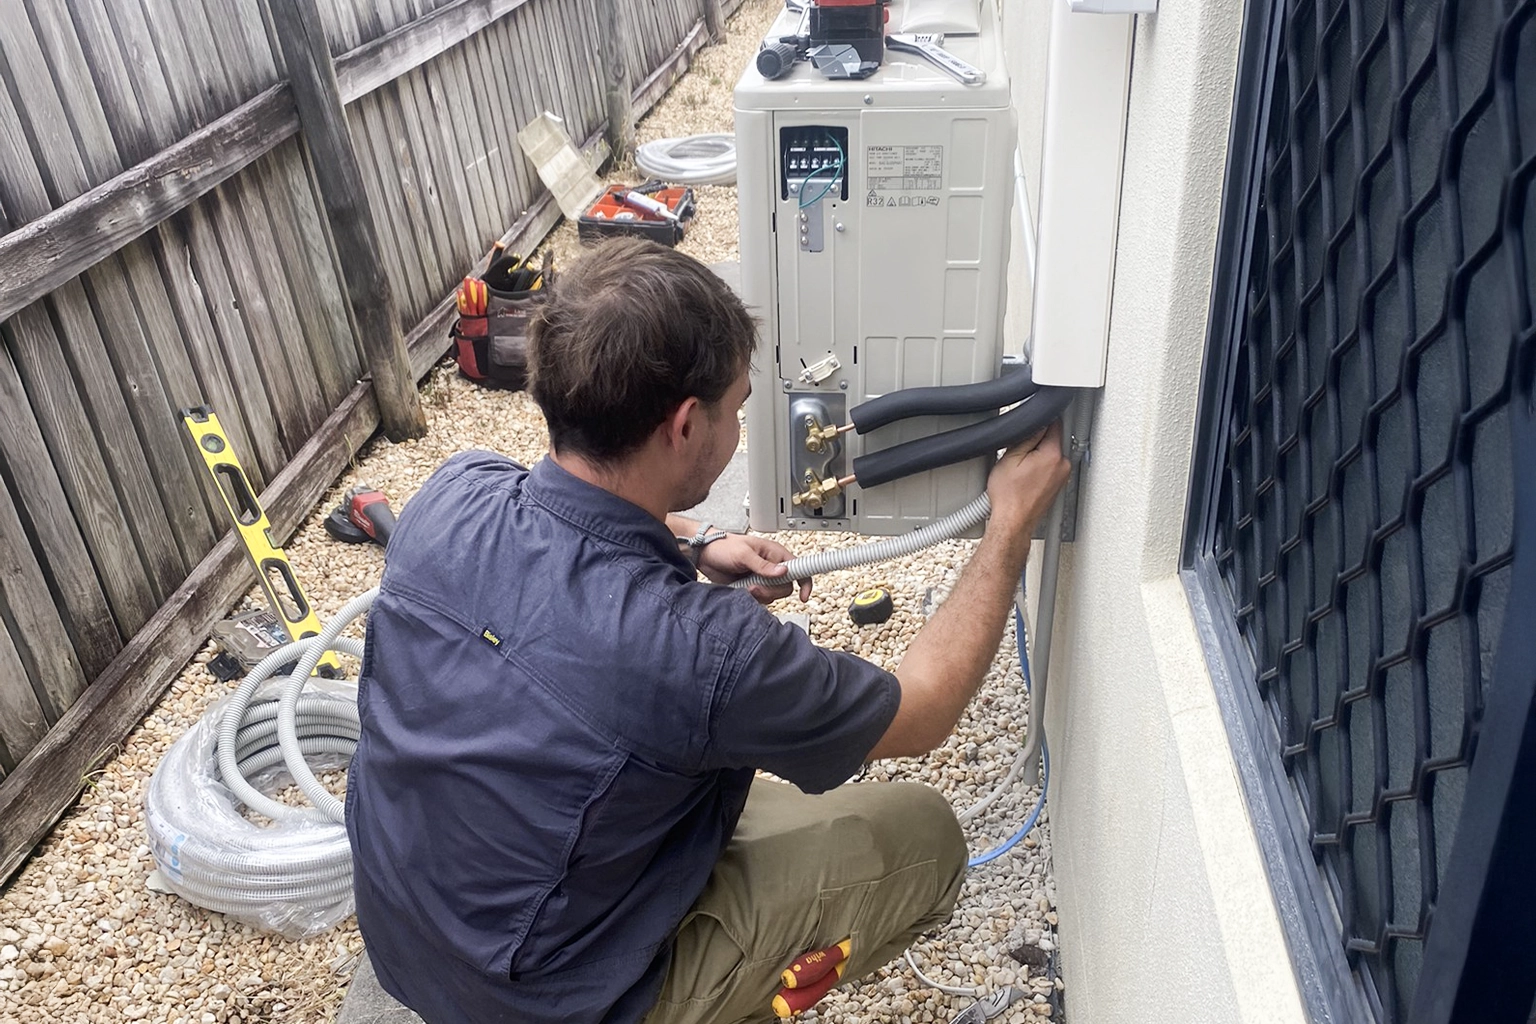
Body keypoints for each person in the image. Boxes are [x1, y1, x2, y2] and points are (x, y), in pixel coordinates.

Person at [345, 238, 1072, 1024]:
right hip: (545, 1003)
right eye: (739, 407)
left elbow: (568, 513)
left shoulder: (456, 492)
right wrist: (1007, 527)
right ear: (686, 425)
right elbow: (925, 708)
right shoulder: (704, 655)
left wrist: (691, 544)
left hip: (408, 938)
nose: (741, 425)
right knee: (926, 837)